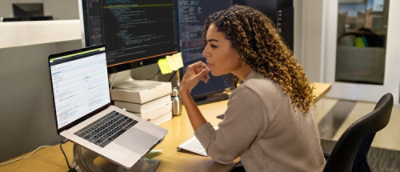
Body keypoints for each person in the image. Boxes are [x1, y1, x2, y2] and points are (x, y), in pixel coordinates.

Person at [179, 5, 326, 171]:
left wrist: (185, 93)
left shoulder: (252, 93)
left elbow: (220, 153)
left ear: (242, 48)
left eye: (213, 45)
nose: (205, 52)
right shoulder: (280, 77)